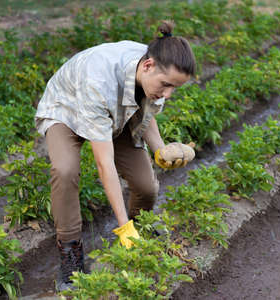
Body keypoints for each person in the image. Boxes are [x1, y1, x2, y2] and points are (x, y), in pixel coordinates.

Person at [35, 20, 196, 291]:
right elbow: (104, 163)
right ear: (147, 66)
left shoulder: (155, 69)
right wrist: (122, 227)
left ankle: (140, 226)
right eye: (166, 85)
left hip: (117, 114)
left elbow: (146, 112)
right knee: (65, 170)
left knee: (146, 186)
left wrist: (160, 150)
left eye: (174, 89)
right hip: (68, 110)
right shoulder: (99, 81)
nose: (167, 94)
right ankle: (71, 254)